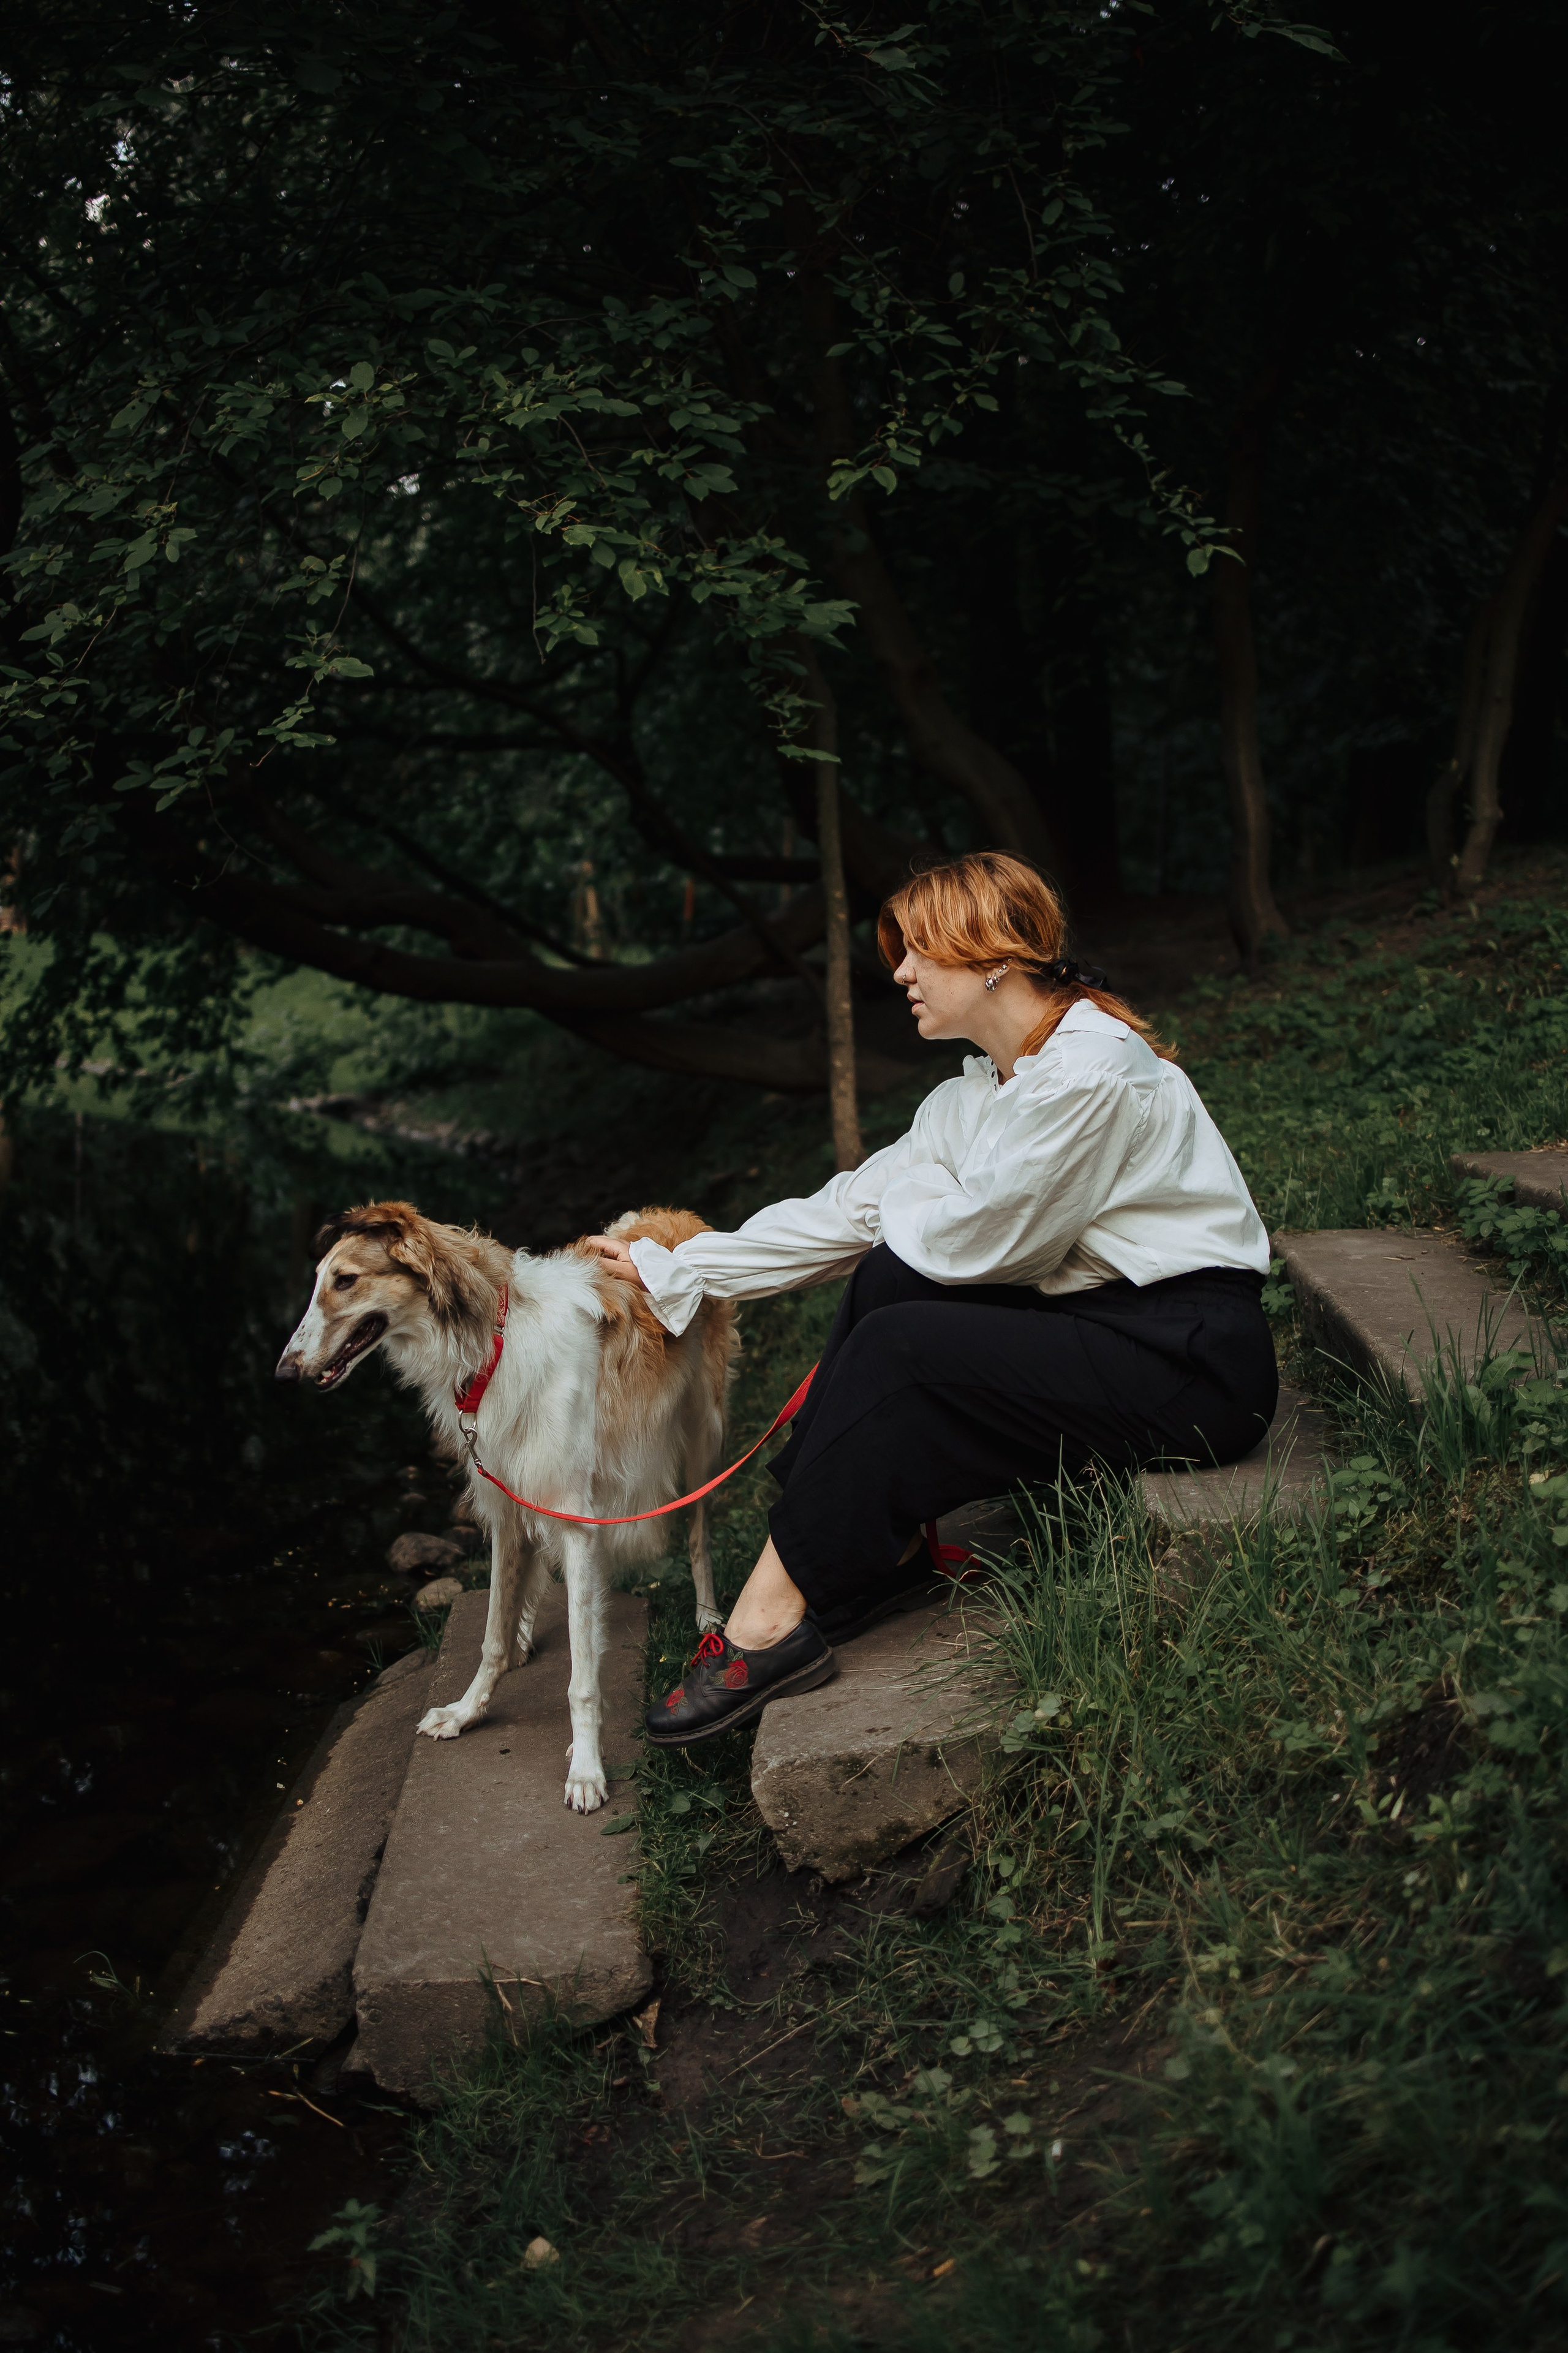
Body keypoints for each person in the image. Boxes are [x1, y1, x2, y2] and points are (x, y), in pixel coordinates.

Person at [585, 851, 1276, 1747]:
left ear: (991, 954)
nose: (901, 973)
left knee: (900, 1343)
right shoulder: (983, 1088)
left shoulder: (1091, 1072)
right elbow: (852, 1212)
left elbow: (983, 1240)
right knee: (886, 1276)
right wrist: (679, 1267)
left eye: (918, 951)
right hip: (1105, 1319)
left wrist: (901, 1205)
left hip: (1192, 1362)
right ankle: (891, 1545)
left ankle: (768, 1622)